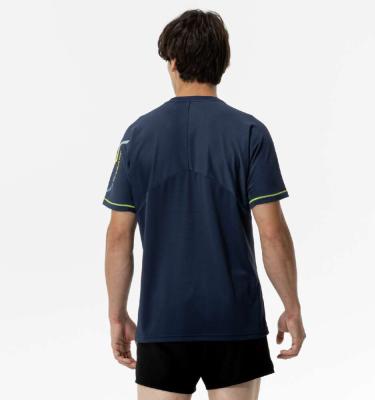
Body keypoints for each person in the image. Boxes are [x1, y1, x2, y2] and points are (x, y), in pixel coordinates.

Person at [103, 9, 305, 400]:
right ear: (222, 63)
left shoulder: (137, 136)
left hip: (163, 320)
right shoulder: (250, 133)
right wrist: (291, 305)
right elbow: (272, 232)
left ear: (173, 62)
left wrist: (117, 314)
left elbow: (118, 237)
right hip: (234, 320)